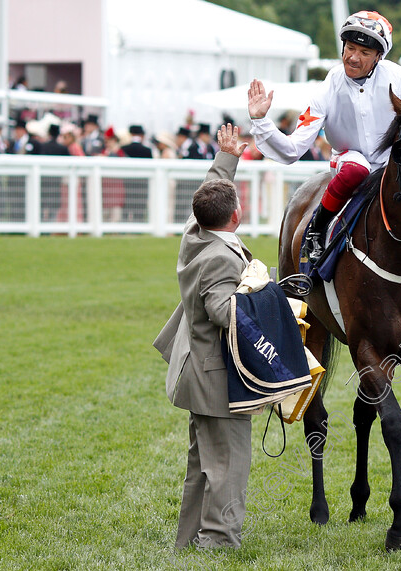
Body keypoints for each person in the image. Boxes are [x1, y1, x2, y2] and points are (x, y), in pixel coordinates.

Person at [247, 10, 401, 265]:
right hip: (350, 159)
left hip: (392, 161)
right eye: (350, 48)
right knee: (356, 169)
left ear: (378, 57)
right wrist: (261, 121)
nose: (353, 58)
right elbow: (293, 149)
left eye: (364, 53)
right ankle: (317, 229)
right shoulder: (327, 88)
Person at [153, 124, 253, 550]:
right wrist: (271, 306)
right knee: (228, 461)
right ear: (236, 215)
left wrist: (225, 159)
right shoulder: (218, 258)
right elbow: (221, 309)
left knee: (203, 461)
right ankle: (219, 540)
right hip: (215, 375)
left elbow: (209, 195)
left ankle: (191, 536)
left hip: (194, 367)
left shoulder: (196, 234)